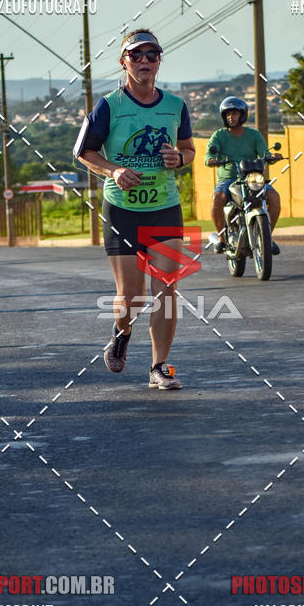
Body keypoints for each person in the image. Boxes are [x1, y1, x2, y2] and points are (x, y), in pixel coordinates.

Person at [75, 28, 195, 390]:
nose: (145, 61)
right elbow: (83, 152)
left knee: (167, 289)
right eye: (136, 55)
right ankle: (122, 332)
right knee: (131, 295)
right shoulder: (109, 105)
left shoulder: (175, 106)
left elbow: (189, 149)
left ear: (159, 60)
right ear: (124, 61)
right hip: (122, 208)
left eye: (152, 55)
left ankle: (159, 366)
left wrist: (180, 158)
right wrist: (114, 169)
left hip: (164, 206)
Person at [205, 96, 282, 254]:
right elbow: (208, 156)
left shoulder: (254, 135)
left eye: (234, 113)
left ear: (243, 115)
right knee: (217, 198)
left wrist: (272, 157)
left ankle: (268, 238)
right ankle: (221, 238)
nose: (231, 117)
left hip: (252, 179)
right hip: (228, 179)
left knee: (274, 197)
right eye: (227, 114)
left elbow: (264, 153)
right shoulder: (219, 136)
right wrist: (212, 159)